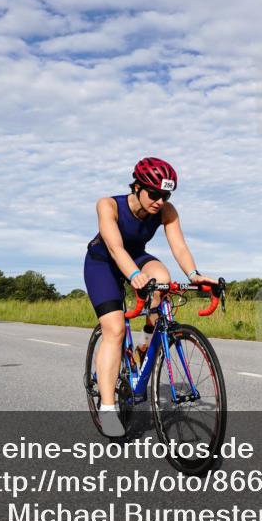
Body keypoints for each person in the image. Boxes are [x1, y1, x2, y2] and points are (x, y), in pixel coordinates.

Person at [84, 157, 215, 438]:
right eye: (153, 194)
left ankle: (146, 343)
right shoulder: (108, 205)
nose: (159, 201)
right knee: (115, 329)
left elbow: (179, 245)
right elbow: (115, 247)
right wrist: (133, 276)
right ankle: (108, 407)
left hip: (136, 257)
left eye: (165, 195)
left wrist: (194, 274)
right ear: (137, 187)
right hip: (102, 263)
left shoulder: (166, 211)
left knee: (163, 279)